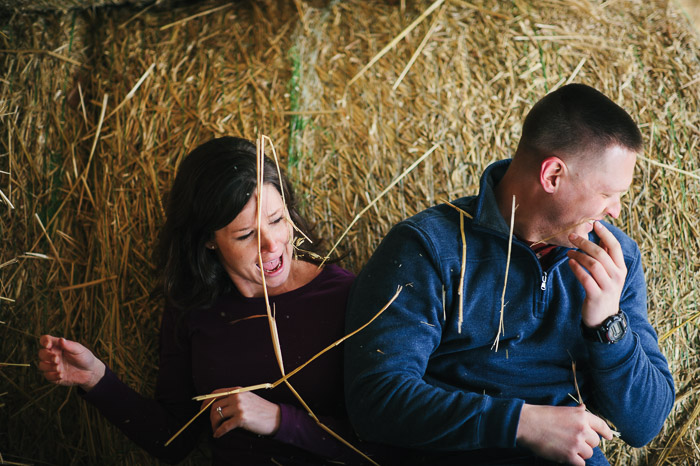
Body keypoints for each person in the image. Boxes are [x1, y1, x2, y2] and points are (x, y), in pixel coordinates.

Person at [344, 84, 675, 465]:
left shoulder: (616, 260)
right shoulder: (428, 247)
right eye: (607, 194)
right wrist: (521, 423)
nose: (616, 211)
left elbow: (645, 426)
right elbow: (375, 400)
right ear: (552, 175)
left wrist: (608, 325)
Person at [38, 137, 363, 465]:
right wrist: (96, 378)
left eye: (277, 219)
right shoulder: (193, 309)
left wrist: (280, 420)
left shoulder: (345, 297)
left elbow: (385, 446)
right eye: (245, 235)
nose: (271, 244)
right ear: (208, 240)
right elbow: (173, 441)